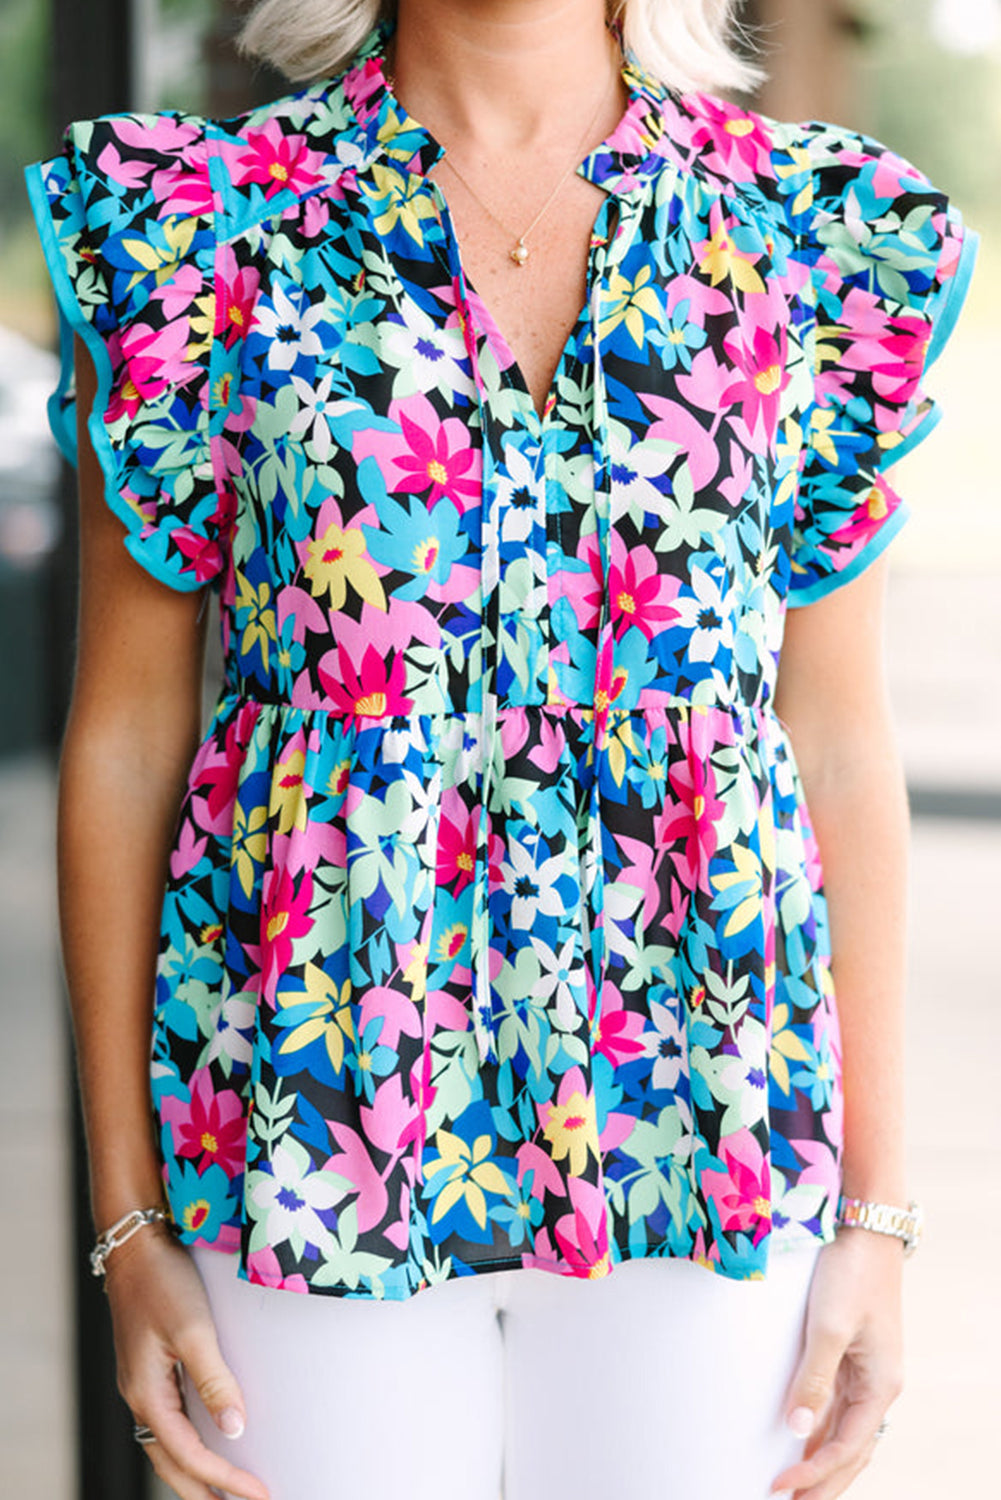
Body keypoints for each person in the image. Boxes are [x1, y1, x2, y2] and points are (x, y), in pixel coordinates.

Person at [25, 1, 977, 1497]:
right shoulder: (194, 230)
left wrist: (878, 1213)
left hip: (707, 1115)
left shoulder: (808, 232)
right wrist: (129, 1221)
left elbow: (836, 742)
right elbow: (127, 744)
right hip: (312, 1121)